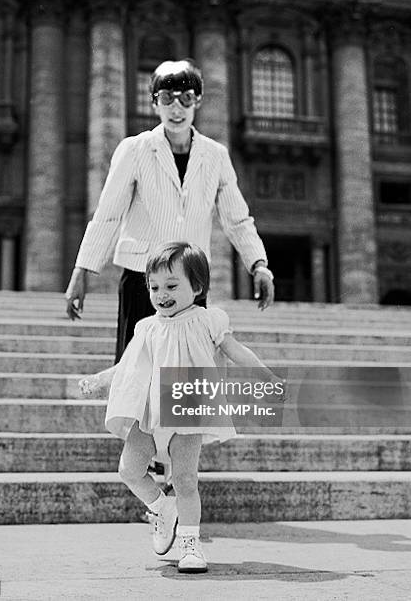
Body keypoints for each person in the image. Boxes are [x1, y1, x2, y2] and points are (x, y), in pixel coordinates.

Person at [78, 242, 285, 574]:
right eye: (154, 286)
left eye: (172, 286)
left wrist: (266, 375)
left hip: (187, 404)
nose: (162, 294)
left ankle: (191, 543)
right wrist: (99, 379)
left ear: (198, 287)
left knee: (186, 479)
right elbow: (128, 365)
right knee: (129, 471)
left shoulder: (209, 320)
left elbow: (236, 350)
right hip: (149, 409)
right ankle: (161, 508)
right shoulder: (146, 327)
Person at [65, 58, 274, 362]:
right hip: (143, 279)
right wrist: (81, 271)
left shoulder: (215, 155)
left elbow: (238, 220)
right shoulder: (134, 149)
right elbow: (108, 214)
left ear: (197, 102)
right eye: (166, 99)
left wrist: (259, 264)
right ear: (155, 104)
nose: (176, 109)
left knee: (184, 375)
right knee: (137, 371)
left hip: (191, 282)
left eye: (186, 99)